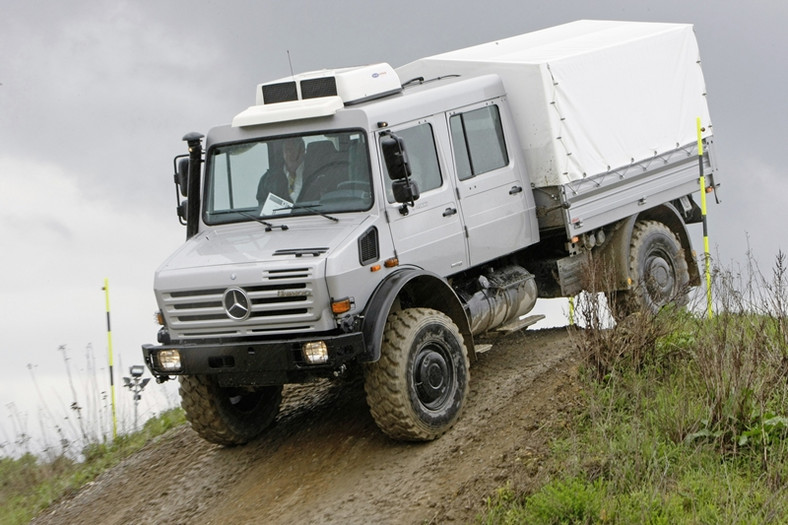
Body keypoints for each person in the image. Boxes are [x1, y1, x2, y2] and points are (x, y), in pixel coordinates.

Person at [256, 137, 305, 209]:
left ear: (302, 150)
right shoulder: (268, 181)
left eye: (293, 149)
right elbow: (262, 209)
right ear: (283, 153)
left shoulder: (318, 175)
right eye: (287, 150)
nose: (290, 154)